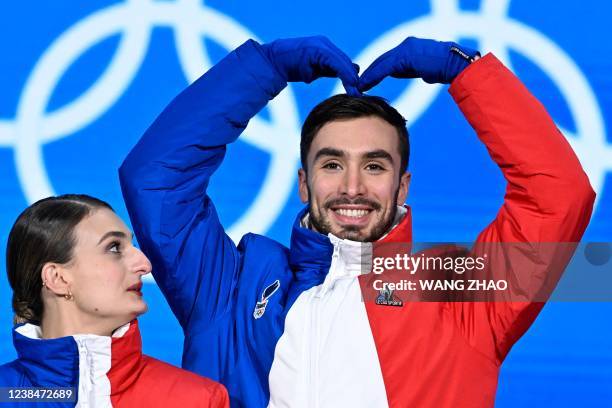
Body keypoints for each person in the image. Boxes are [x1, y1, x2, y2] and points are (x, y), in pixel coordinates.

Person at [119, 36, 595, 407]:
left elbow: (558, 195)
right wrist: (264, 70)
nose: (352, 187)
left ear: (402, 186)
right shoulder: (229, 287)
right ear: (303, 184)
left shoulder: (457, 293)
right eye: (331, 165)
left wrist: (464, 72)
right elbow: (155, 178)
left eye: (374, 166)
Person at [0, 194, 229, 407]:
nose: (144, 264)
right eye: (114, 247)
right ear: (58, 278)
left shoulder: (197, 399)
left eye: (133, 246)